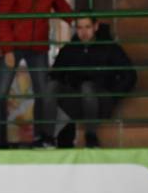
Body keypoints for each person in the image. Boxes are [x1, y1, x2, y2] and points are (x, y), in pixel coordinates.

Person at [0, 0, 72, 148]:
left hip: (38, 47)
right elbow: (3, 19)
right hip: (14, 45)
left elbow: (63, 8)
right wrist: (7, 49)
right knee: (0, 92)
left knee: (43, 92)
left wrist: (80, 21)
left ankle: (43, 137)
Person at [49, 13, 136, 148]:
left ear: (96, 27)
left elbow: (130, 75)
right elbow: (55, 75)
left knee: (87, 87)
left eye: (87, 27)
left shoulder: (110, 48)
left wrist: (113, 95)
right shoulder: (69, 50)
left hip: (102, 101)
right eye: (79, 28)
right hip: (77, 101)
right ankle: (46, 137)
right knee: (52, 86)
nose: (83, 32)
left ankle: (91, 136)